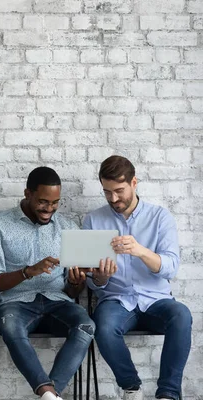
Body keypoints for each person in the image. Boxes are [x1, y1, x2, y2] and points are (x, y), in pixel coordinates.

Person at [0, 167, 113, 400]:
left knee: (86, 326)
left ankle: (49, 393)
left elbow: (72, 289)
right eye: (43, 202)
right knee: (11, 327)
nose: (49, 209)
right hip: (15, 302)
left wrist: (76, 283)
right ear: (27, 194)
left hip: (57, 301)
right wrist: (27, 272)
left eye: (55, 203)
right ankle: (48, 392)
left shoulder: (67, 228)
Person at [84, 155, 192, 400]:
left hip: (156, 300)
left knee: (181, 315)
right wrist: (100, 277)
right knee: (104, 325)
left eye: (119, 191)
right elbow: (92, 281)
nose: (113, 199)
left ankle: (168, 394)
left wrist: (140, 251)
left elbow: (171, 268)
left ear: (134, 183)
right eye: (107, 192)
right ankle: (131, 388)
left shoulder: (160, 217)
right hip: (116, 300)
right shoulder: (93, 220)